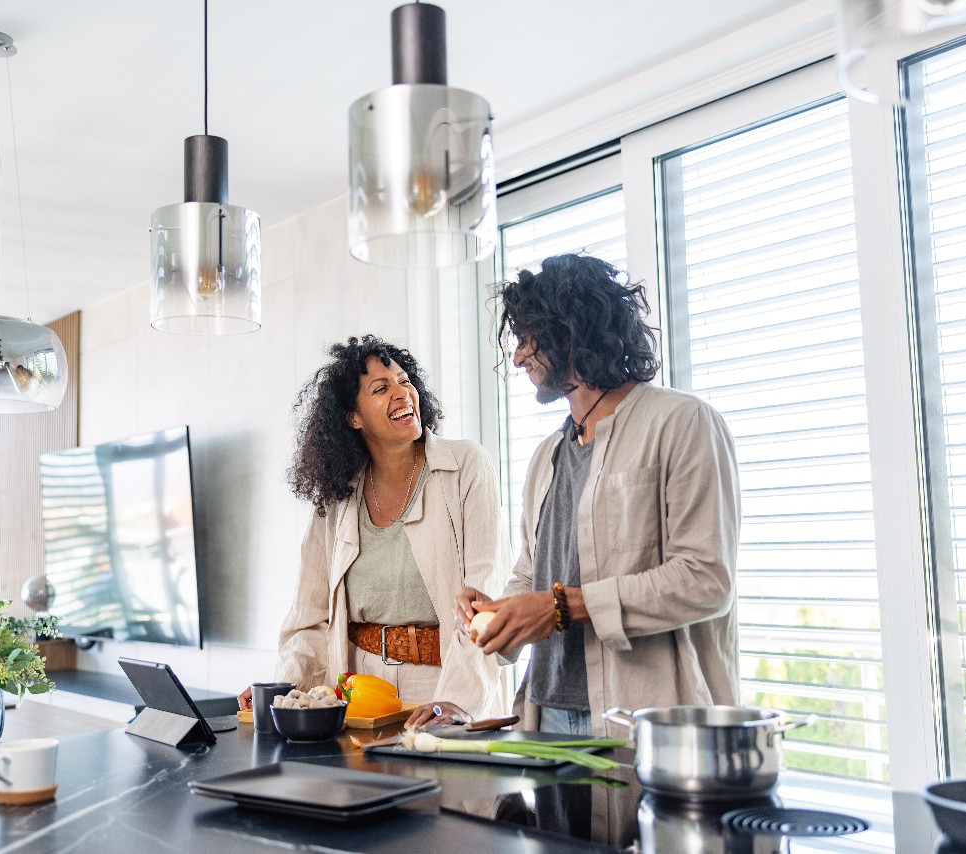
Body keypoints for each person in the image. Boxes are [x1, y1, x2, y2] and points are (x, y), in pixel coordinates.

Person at [455, 254, 741, 736]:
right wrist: (501, 613)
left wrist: (560, 607)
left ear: (571, 330)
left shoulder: (683, 423)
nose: (518, 356)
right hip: (545, 715)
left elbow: (705, 580)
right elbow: (532, 575)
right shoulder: (546, 455)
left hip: (647, 718)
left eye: (528, 338)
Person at [240, 335, 506, 728]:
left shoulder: (466, 465)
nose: (402, 393)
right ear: (353, 417)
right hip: (356, 689)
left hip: (443, 681)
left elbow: (487, 598)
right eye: (381, 388)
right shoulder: (337, 493)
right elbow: (311, 617)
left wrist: (456, 701)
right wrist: (284, 690)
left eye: (404, 380)